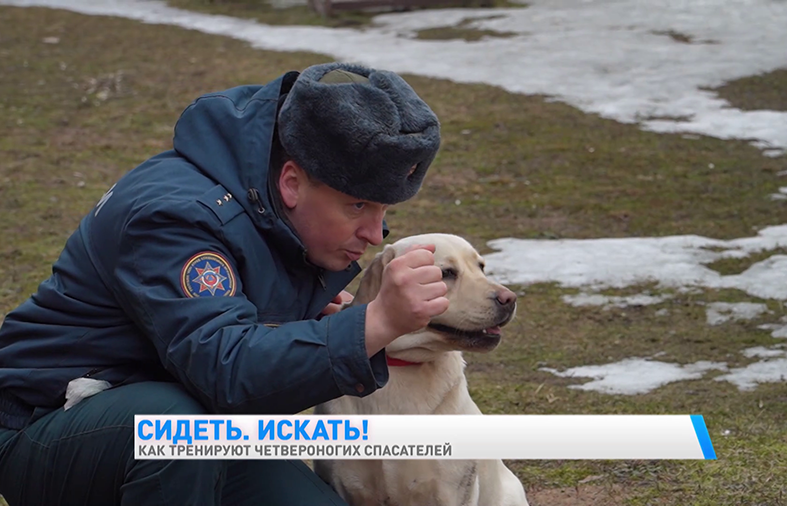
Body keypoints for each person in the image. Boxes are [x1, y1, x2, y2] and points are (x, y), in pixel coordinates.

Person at [0, 62, 450, 506]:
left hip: (182, 418)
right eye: (358, 206)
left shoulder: (264, 200)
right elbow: (227, 373)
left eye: (384, 211)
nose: (376, 234)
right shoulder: (174, 216)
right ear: (291, 181)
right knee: (176, 431)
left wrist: (311, 320)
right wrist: (375, 322)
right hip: (46, 427)